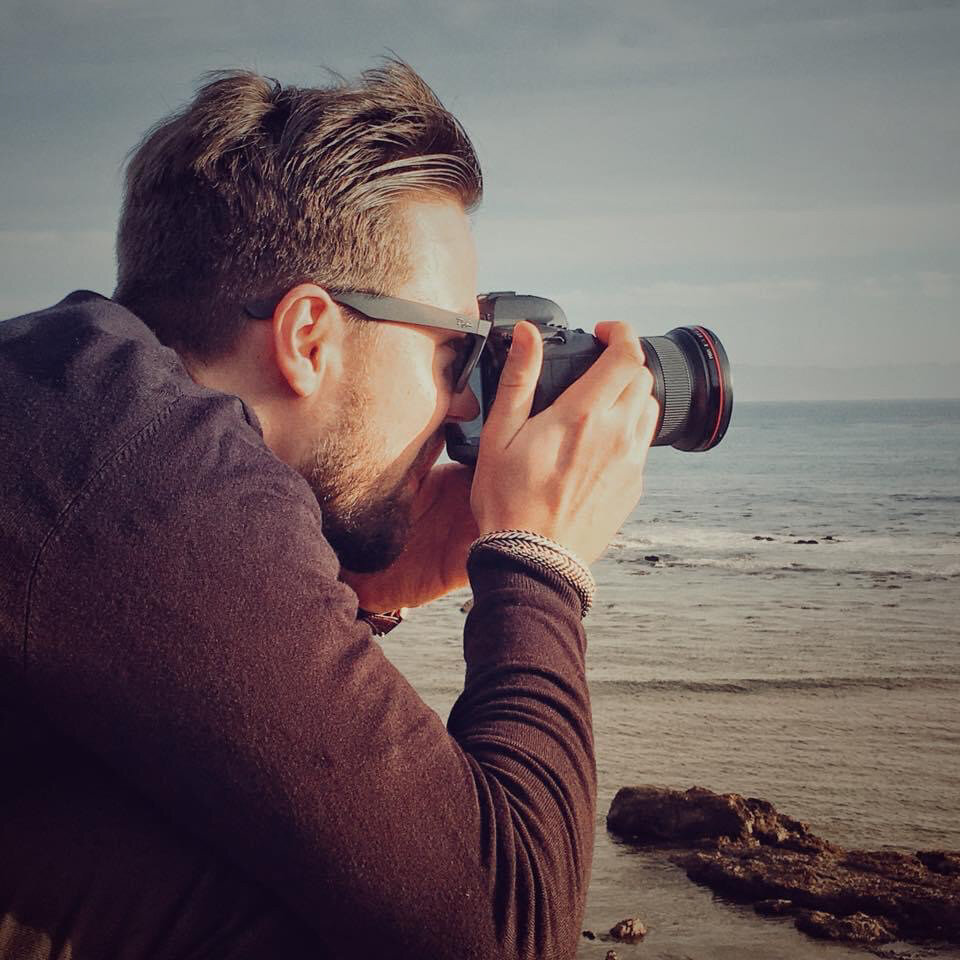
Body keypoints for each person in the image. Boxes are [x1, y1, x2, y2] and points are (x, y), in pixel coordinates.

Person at [0, 62, 658, 960]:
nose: (465, 405)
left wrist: (366, 588)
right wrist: (540, 561)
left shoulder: (75, 398)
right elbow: (507, 930)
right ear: (309, 335)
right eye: (452, 352)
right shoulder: (149, 465)